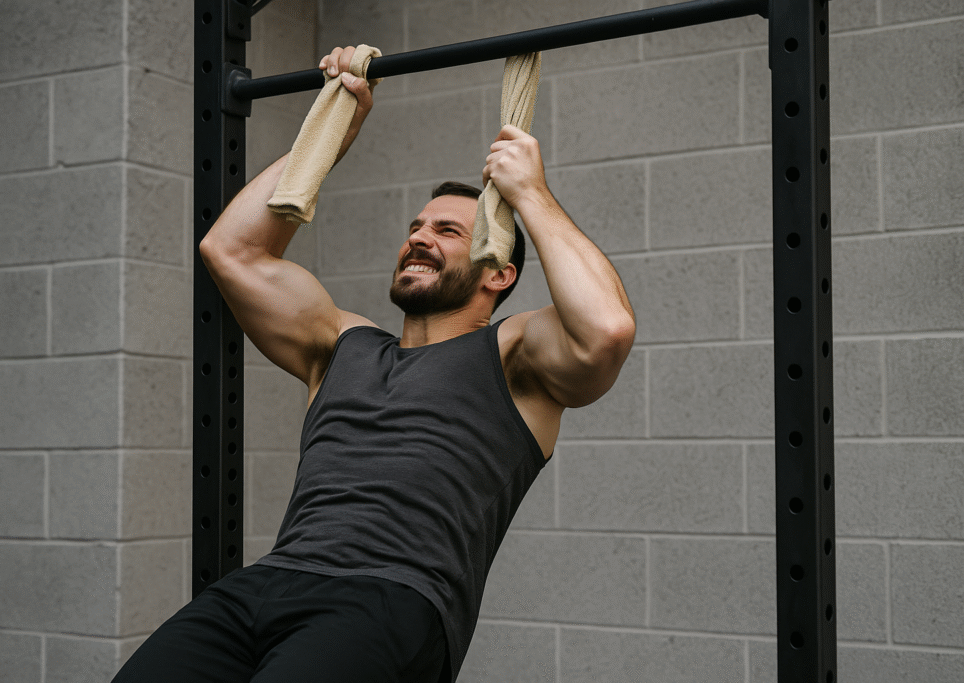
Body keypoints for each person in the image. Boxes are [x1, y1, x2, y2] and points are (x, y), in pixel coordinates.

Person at [113, 46, 635, 683]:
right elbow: (230, 251)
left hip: (390, 599)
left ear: (500, 272)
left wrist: (530, 194)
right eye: (416, 225)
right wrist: (334, 129)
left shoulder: (514, 357)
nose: (419, 236)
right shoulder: (343, 343)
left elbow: (606, 329)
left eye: (448, 231)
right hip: (268, 583)